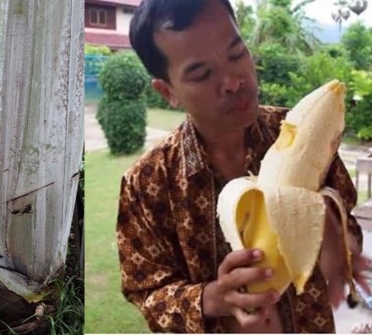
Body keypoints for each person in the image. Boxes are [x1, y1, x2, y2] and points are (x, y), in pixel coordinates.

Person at [116, 0, 372, 333]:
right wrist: (213, 298)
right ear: (168, 91)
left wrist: (333, 232)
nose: (234, 81)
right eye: (202, 73)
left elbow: (347, 222)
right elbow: (146, 290)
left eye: (237, 53)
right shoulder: (146, 182)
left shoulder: (301, 133)